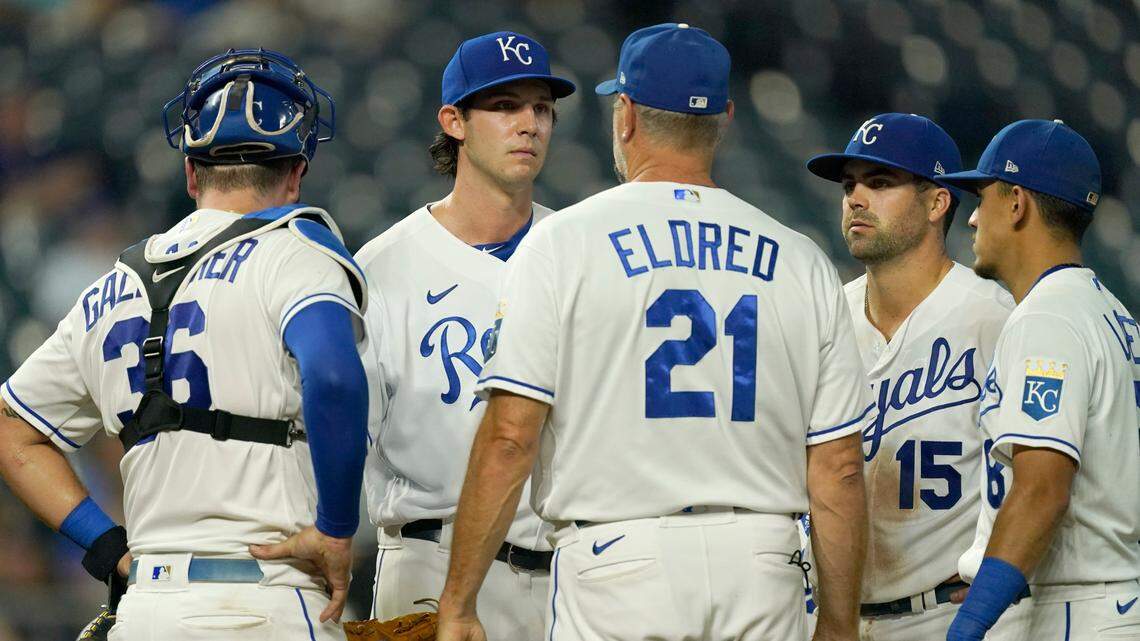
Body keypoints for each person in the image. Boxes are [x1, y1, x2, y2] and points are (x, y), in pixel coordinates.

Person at [437, 23, 873, 641]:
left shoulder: (563, 242)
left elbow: (511, 437)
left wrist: (458, 602)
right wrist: (837, 623)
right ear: (724, 117)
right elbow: (839, 469)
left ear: (626, 114)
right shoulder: (800, 259)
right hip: (764, 563)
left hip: (619, 560)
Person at [0, 49, 368, 639]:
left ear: (192, 173)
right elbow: (333, 375)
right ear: (297, 173)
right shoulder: (296, 251)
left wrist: (106, 548)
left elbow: (10, 428)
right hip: (263, 603)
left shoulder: (112, 285)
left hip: (146, 607)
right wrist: (337, 527)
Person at [354, 31, 574, 641]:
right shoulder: (384, 267)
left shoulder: (580, 252)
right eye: (504, 107)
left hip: (570, 571)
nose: (529, 124)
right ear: (453, 121)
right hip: (430, 557)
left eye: (541, 108)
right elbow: (349, 443)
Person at [807, 113, 1029, 640]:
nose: (856, 197)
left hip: (951, 616)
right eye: (849, 184)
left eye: (880, 183)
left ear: (937, 202)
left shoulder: (996, 317)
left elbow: (1045, 476)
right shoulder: (822, 317)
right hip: (837, 617)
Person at [938, 119, 1140, 640]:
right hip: (1108, 598)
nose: (973, 219)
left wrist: (971, 623)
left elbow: (1043, 489)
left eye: (982, 197)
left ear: (1017, 203)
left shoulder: (1047, 319)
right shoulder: (1109, 312)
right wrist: (996, 568)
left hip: (1078, 610)